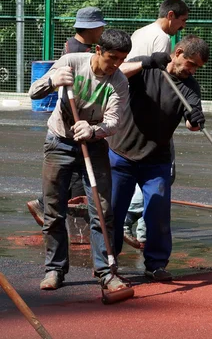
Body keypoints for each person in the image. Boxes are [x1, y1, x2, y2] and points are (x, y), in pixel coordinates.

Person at [28, 29, 132, 291]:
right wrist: (52, 81)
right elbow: (33, 93)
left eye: (122, 59)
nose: (116, 64)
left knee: (102, 209)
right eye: (112, 58)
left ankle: (107, 272)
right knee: (53, 212)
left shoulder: (119, 81)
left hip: (94, 146)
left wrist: (94, 131)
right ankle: (54, 270)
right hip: (59, 142)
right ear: (98, 51)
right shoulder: (72, 62)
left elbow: (115, 120)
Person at [108, 35, 209, 281]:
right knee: (112, 211)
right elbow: (115, 72)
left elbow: (190, 122)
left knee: (158, 212)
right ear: (178, 52)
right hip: (121, 153)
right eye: (191, 63)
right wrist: (145, 63)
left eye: (197, 67)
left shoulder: (190, 86)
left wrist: (196, 120)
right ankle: (108, 263)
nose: (192, 70)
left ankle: (156, 264)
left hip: (156, 160)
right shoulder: (147, 67)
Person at [26, 6, 108, 226]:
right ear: (91, 27)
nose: (102, 30)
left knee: (73, 176)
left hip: (76, 120)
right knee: (76, 177)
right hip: (72, 121)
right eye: (100, 26)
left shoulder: (80, 46)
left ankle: (49, 206)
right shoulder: (79, 52)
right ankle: (48, 207)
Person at [121, 0, 189, 249]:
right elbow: (158, 79)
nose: (182, 27)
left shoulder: (141, 31)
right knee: (163, 172)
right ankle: (132, 217)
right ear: (171, 15)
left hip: (130, 106)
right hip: (148, 110)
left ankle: (143, 232)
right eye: (182, 22)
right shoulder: (162, 39)